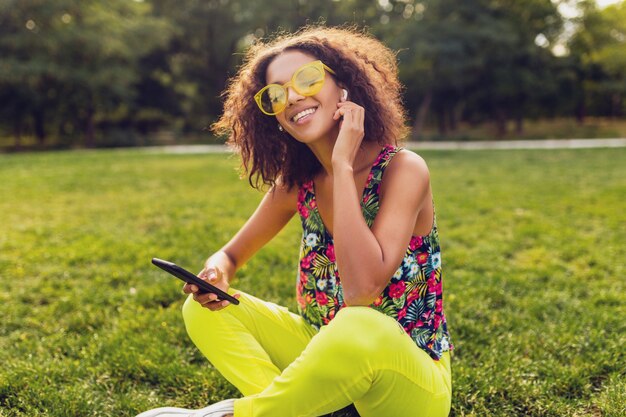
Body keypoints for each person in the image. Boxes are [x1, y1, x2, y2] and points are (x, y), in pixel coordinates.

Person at [137, 26, 453, 417]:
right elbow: (230, 255)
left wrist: (341, 164)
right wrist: (215, 274)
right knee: (202, 310)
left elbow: (361, 291)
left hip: (405, 381)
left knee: (359, 325)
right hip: (328, 359)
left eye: (308, 79)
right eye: (276, 93)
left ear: (344, 88)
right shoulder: (297, 183)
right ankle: (295, 410)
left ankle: (243, 414)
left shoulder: (403, 170)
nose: (293, 97)